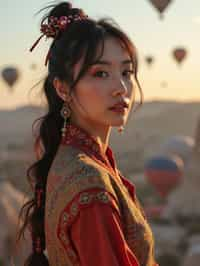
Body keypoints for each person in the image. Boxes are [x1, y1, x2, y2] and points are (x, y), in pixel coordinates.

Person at [17, 2, 159, 266]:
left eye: (126, 72)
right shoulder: (91, 185)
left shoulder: (75, 162)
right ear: (63, 89)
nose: (120, 88)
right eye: (100, 73)